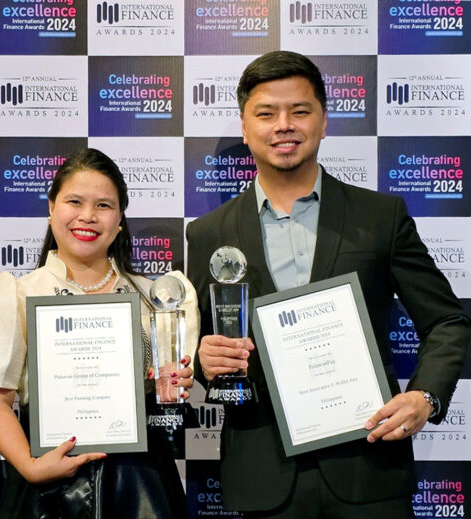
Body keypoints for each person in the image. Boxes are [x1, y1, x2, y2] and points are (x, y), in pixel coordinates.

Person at [186, 51, 470, 518]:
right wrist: (203, 360)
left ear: (323, 121)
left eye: (299, 111)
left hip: (369, 466)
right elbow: (194, 351)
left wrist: (427, 396)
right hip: (263, 478)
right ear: (244, 127)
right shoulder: (207, 234)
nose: (284, 125)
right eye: (266, 113)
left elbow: (447, 320)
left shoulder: (381, 217)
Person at [0, 148, 200, 518]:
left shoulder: (157, 297)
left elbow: (170, 386)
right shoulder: (17, 294)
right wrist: (31, 466)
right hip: (45, 480)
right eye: (74, 201)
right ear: (52, 208)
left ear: (119, 220)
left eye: (103, 205)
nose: (88, 216)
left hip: (141, 483)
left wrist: (174, 379)